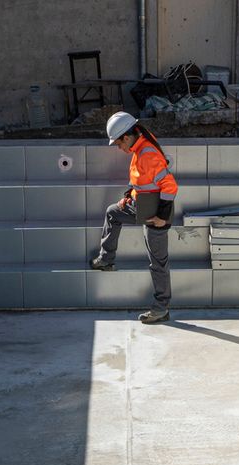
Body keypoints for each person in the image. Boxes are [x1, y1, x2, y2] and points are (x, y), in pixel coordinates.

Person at [89, 112, 178, 324]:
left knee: (158, 263)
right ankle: (106, 260)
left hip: (155, 215)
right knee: (113, 212)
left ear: (127, 137)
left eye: (118, 143)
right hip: (141, 207)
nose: (119, 148)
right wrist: (128, 197)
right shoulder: (140, 146)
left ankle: (161, 309)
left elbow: (170, 186)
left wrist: (162, 217)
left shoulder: (147, 154)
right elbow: (141, 179)